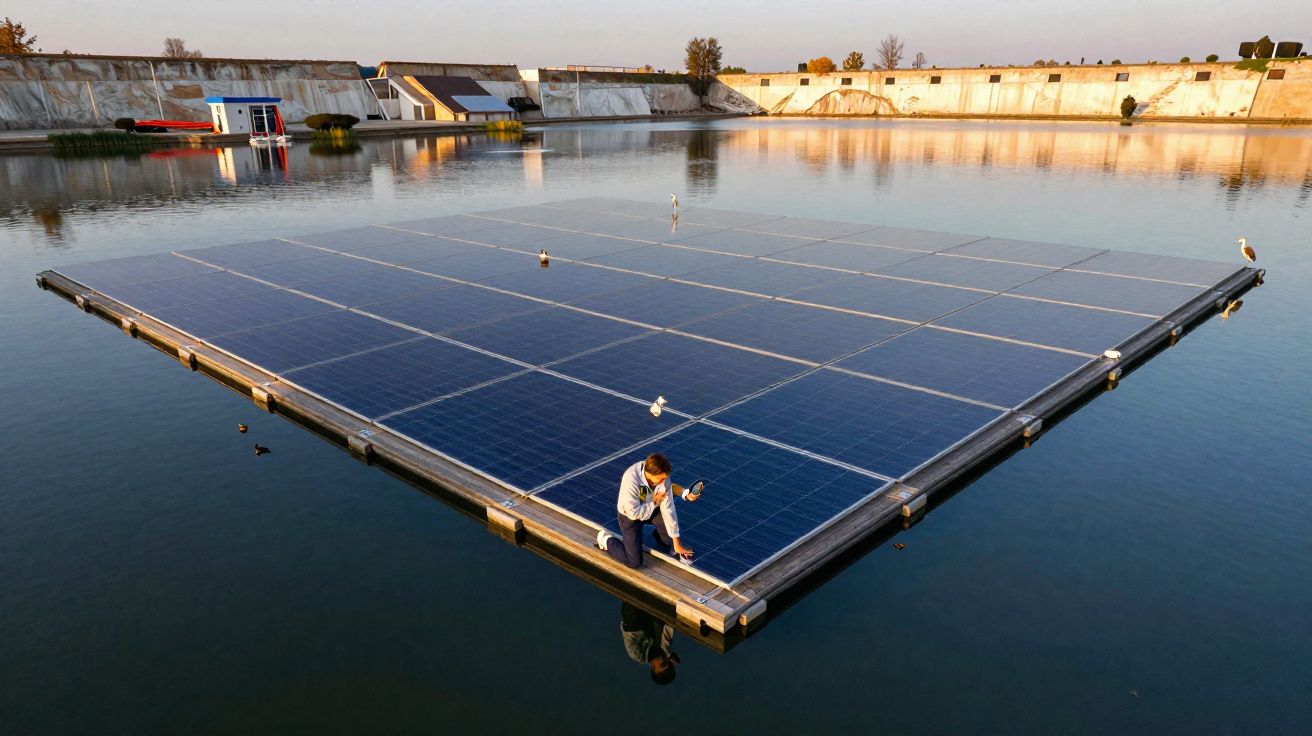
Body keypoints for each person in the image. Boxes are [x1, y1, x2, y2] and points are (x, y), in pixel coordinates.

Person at [597, 452, 695, 568]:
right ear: (649, 474)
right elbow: (633, 513)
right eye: (660, 479)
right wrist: (655, 502)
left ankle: (662, 539)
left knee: (666, 523)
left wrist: (677, 543)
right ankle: (606, 540)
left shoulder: (663, 477)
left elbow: (669, 509)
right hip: (630, 518)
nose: (664, 482)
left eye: (665, 478)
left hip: (652, 509)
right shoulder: (631, 478)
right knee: (634, 562)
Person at [620, 602, 679, 686]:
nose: (664, 660)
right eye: (668, 664)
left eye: (662, 664)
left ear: (653, 667)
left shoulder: (636, 654)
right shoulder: (664, 650)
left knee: (632, 622)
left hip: (637, 613)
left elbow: (630, 628)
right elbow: (669, 627)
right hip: (655, 611)